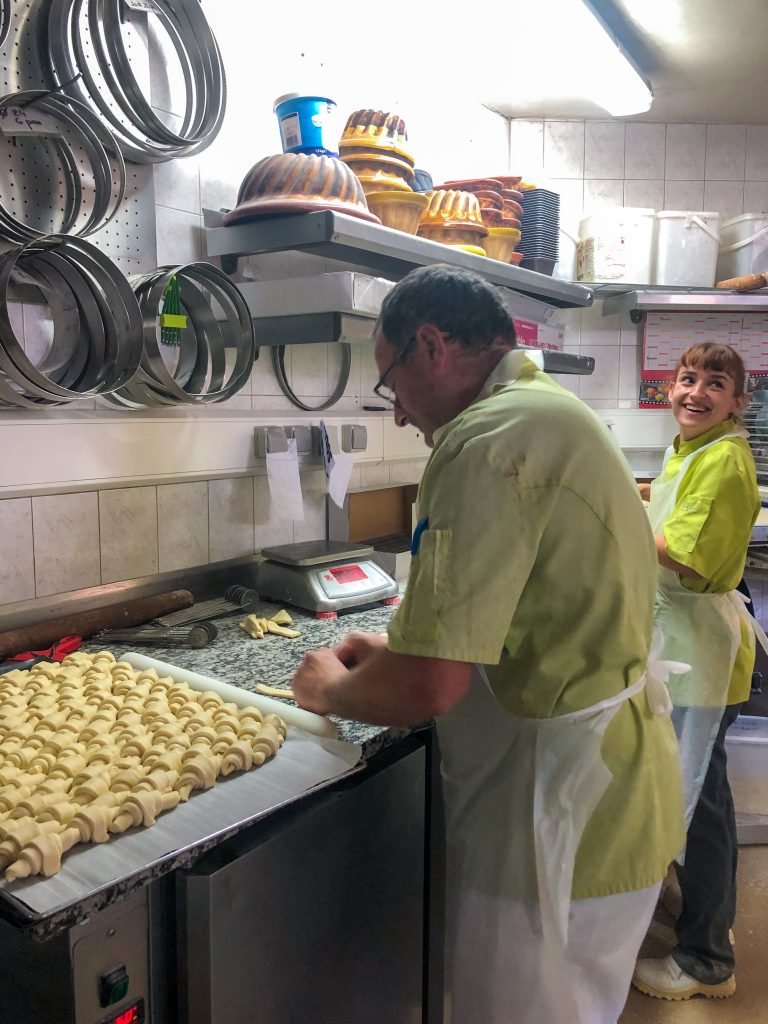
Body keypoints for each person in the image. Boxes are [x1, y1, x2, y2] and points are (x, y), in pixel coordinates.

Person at [291, 264, 684, 1024]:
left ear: (430, 345)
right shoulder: (547, 412)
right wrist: (404, 646)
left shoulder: (485, 440)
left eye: (391, 383)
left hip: (554, 815)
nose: (399, 413)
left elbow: (430, 688)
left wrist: (326, 690)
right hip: (613, 788)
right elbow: (527, 614)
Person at [632, 342, 762, 1002]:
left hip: (702, 648)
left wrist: (614, 514)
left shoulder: (723, 461)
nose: (696, 391)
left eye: (717, 383)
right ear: (670, 388)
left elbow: (683, 552)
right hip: (684, 638)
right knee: (695, 788)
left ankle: (708, 958)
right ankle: (703, 914)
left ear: (740, 401)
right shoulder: (692, 449)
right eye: (687, 378)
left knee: (702, 802)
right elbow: (672, 515)